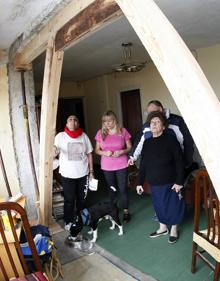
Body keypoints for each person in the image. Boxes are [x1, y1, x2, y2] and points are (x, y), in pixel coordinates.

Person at [136, 111, 185, 244]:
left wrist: (179, 181)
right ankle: (163, 228)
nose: (154, 124)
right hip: (154, 182)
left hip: (171, 181)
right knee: (159, 206)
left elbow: (179, 161)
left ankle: (174, 229)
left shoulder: (170, 139)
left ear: (164, 126)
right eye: (152, 122)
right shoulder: (147, 142)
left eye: (158, 122)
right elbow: (144, 164)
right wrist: (140, 182)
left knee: (173, 205)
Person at [129, 100, 195, 176]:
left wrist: (187, 162)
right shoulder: (146, 125)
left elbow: (188, 141)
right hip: (154, 168)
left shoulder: (178, 121)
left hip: (175, 166)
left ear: (160, 109)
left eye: (152, 112)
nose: (151, 115)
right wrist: (132, 157)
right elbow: (139, 142)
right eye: (149, 113)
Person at [54, 115, 94, 231]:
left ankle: (81, 219)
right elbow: (54, 149)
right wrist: (53, 151)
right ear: (66, 124)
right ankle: (68, 221)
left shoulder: (84, 136)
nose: (73, 121)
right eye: (70, 119)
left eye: (75, 119)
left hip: (83, 174)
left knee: (82, 199)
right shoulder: (60, 136)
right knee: (69, 200)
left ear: (78, 123)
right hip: (67, 175)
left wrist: (91, 171)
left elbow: (89, 154)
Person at [95, 110, 132, 223]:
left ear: (114, 120)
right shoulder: (100, 133)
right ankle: (113, 210)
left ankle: (126, 211)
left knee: (122, 189)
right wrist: (104, 153)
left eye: (109, 120)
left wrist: (122, 151)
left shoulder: (123, 131)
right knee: (112, 189)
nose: (107, 123)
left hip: (121, 164)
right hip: (107, 166)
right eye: (105, 121)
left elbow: (130, 147)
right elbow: (97, 150)